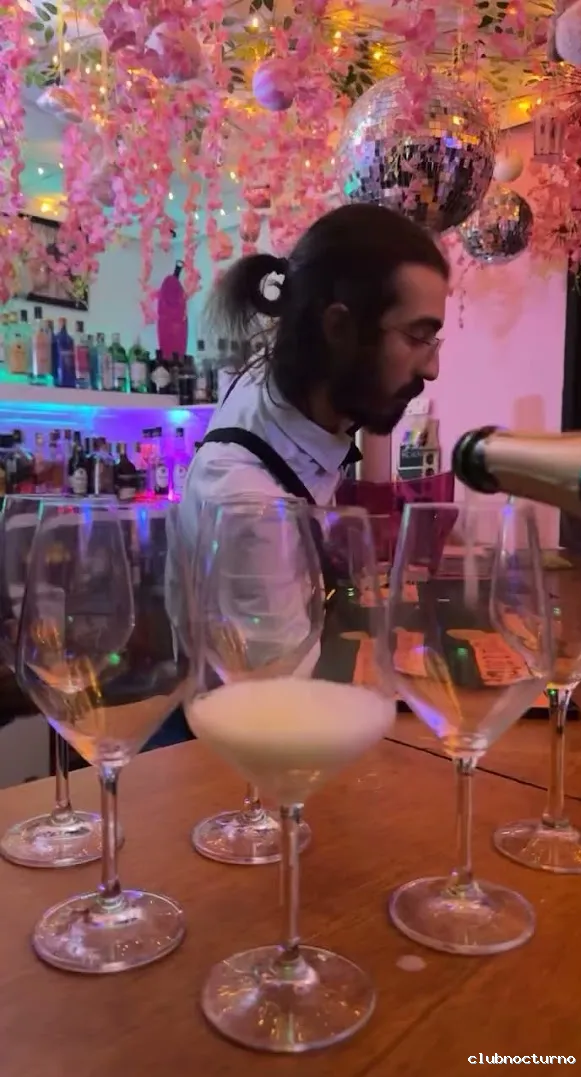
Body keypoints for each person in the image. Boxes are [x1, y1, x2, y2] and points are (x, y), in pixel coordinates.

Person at [151, 202, 450, 749]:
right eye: (416, 337)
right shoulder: (248, 499)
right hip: (222, 756)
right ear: (338, 328)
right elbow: (277, 703)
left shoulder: (284, 389)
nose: (432, 367)